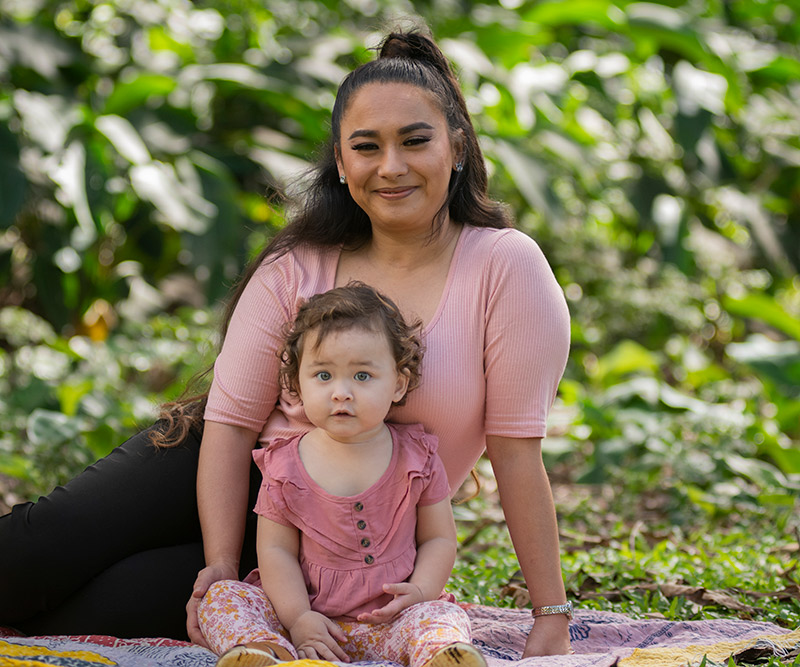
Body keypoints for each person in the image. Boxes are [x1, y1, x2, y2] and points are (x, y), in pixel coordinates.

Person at [0, 25, 572, 656]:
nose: (391, 167)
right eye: (366, 147)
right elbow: (232, 422)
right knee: (36, 551)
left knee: (105, 604)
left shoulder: (506, 269)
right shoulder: (300, 264)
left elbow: (517, 454)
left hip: (321, 551)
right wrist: (219, 569)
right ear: (341, 161)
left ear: (457, 149)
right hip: (206, 472)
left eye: (415, 141)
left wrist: (551, 616)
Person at [198, 283, 485, 667]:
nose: (341, 392)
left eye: (362, 376)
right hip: (304, 627)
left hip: (391, 621)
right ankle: (266, 652)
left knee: (444, 616)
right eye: (323, 376)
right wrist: (299, 619)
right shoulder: (283, 466)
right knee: (223, 598)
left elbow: (438, 538)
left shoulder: (418, 457)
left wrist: (420, 590)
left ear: (398, 384)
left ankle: (437, 656)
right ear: (297, 383)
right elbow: (276, 551)